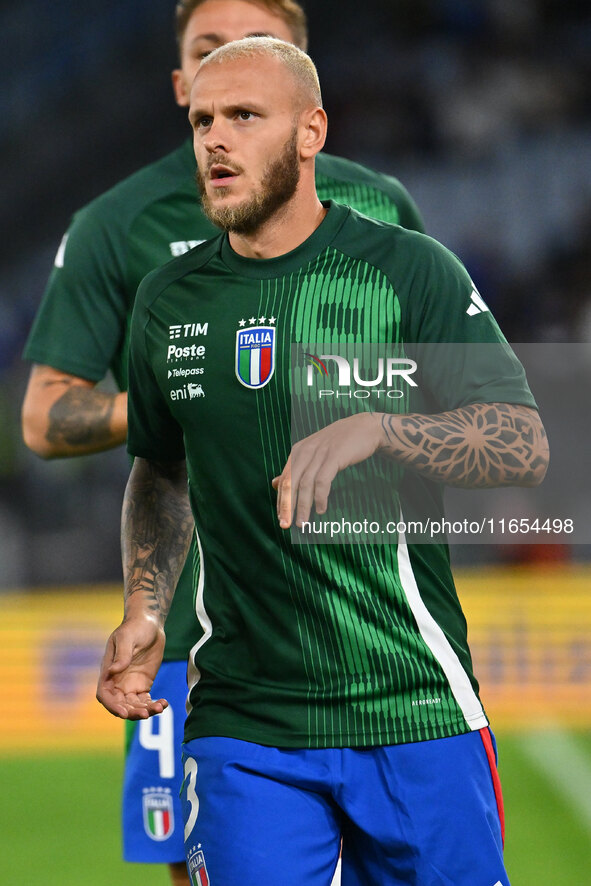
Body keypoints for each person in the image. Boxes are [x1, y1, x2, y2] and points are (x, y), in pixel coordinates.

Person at [96, 37, 548, 886]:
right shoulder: (167, 300)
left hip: (411, 702)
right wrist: (147, 607)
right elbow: (161, 468)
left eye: (242, 116)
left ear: (311, 133)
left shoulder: (405, 271)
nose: (213, 140)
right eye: (200, 120)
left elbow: (522, 442)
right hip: (244, 721)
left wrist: (386, 427)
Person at [21, 2, 424, 883]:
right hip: (196, 630)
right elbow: (45, 418)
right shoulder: (115, 225)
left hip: (360, 624)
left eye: (262, 59)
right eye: (210, 60)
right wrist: (191, 390)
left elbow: (437, 389)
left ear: (305, 90)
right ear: (181, 83)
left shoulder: (376, 206)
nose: (232, 75)